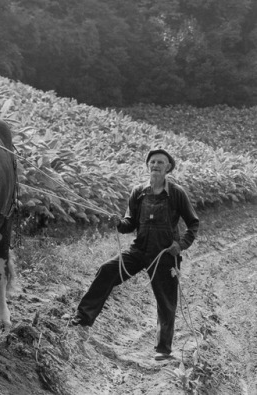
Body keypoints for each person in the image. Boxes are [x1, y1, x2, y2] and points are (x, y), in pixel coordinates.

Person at [71, 148, 199, 361]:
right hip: (139, 250)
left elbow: (193, 223)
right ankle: (82, 318)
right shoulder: (138, 191)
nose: (156, 165)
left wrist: (181, 244)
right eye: (153, 162)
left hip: (165, 254)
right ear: (148, 166)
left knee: (166, 300)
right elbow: (129, 223)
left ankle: (163, 349)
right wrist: (118, 223)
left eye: (160, 162)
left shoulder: (176, 193)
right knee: (107, 270)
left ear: (168, 167)